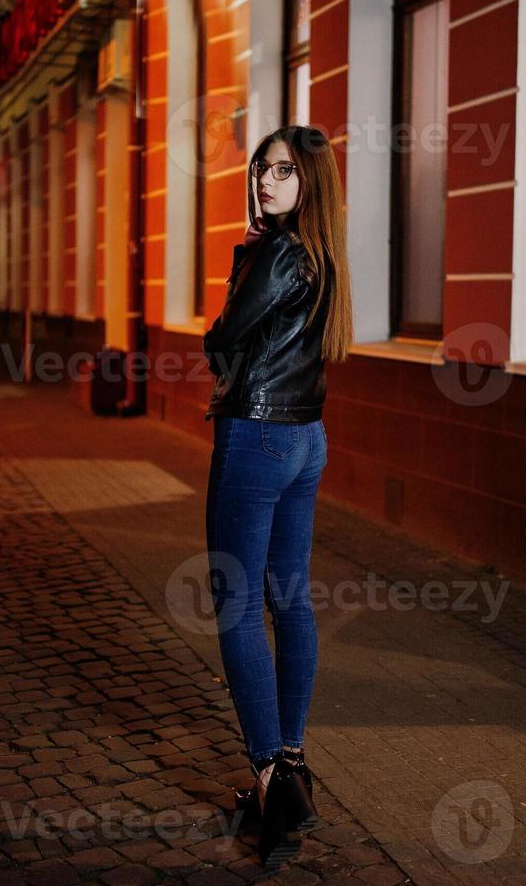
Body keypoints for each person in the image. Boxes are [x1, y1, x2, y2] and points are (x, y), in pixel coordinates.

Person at [202, 125, 353, 869]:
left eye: (284, 172)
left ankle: (269, 776)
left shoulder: (277, 253)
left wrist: (243, 266)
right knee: (288, 599)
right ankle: (291, 762)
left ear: (309, 182)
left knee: (236, 605)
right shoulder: (323, 254)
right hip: (305, 441)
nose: (266, 181)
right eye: (262, 169)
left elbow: (221, 341)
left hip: (256, 438)